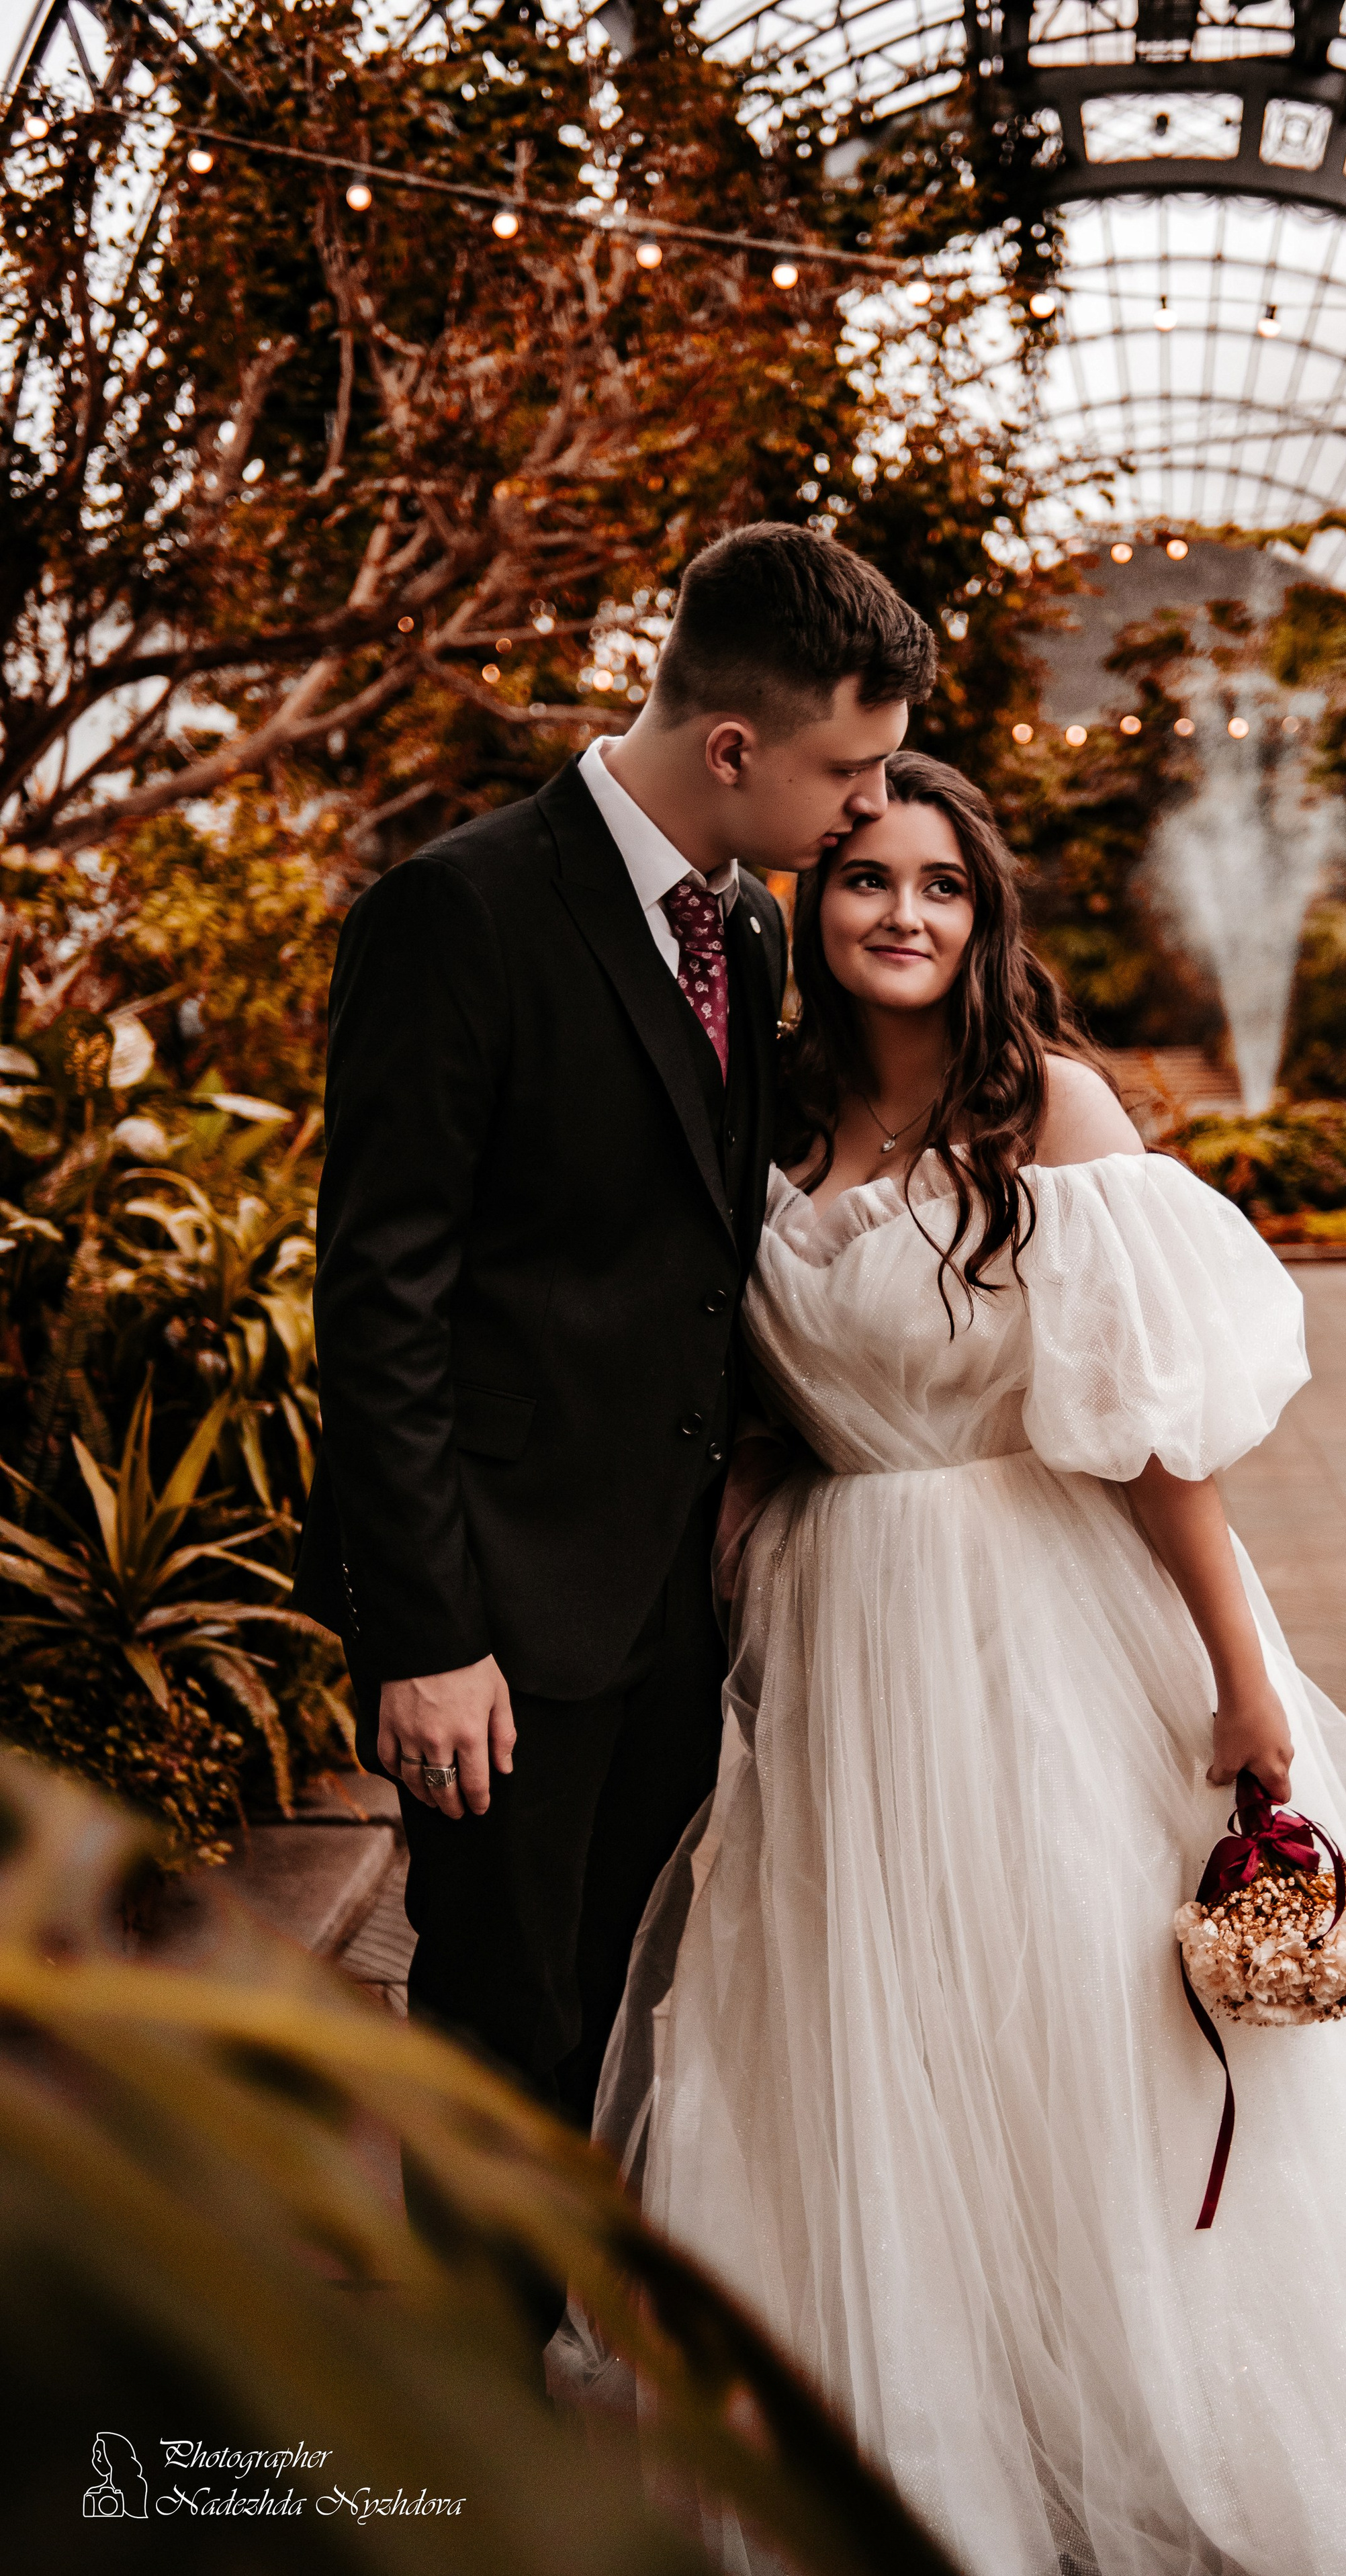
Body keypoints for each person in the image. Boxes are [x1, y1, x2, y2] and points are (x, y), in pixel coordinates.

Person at [588, 750, 1346, 2576]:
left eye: (942, 885)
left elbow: (1162, 1442)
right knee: (859, 2023)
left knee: (1078, 2024)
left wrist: (1246, 1679)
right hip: (840, 1635)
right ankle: (911, 2432)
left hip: (1040, 1618)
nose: (901, 913)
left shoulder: (1050, 1116)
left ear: (987, 919)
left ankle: (1144, 2426)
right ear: (805, 911)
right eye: (865, 880)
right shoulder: (758, 1111)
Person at [294, 525, 937, 2145]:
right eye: (849, 771)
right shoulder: (455, 914)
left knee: (619, 2010)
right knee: (499, 2035)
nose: (868, 806)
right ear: (732, 746)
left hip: (673, 1609)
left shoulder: (754, 926)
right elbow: (379, 1306)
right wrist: (425, 1638)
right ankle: (464, 2386)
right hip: (498, 1628)